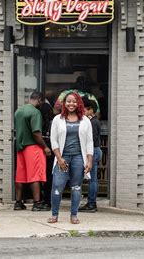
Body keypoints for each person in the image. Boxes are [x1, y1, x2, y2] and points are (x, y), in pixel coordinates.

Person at [48, 92, 93, 224]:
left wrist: (89, 160)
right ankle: (54, 215)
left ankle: (74, 215)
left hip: (79, 157)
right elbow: (53, 140)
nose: (71, 104)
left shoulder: (86, 120)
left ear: (78, 103)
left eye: (74, 101)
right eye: (68, 101)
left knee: (76, 187)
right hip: (62, 156)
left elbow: (90, 142)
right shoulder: (58, 119)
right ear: (64, 103)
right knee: (57, 186)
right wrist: (60, 159)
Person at [14, 91, 51, 211]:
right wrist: (45, 147)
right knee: (35, 175)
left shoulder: (19, 111)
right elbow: (36, 133)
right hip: (33, 147)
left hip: (20, 147)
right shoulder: (35, 112)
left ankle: (18, 202)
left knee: (20, 176)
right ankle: (37, 203)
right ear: (39, 100)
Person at [79, 97, 102, 213]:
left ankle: (91, 203)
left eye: (84, 110)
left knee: (92, 179)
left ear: (91, 110)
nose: (82, 112)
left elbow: (90, 140)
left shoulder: (92, 122)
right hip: (94, 151)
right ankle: (91, 203)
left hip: (93, 151)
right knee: (92, 179)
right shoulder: (94, 121)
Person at [40, 97, 54, 209]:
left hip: (41, 150)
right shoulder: (54, 122)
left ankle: (44, 199)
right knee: (50, 176)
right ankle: (49, 200)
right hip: (52, 151)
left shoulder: (40, 123)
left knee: (43, 176)